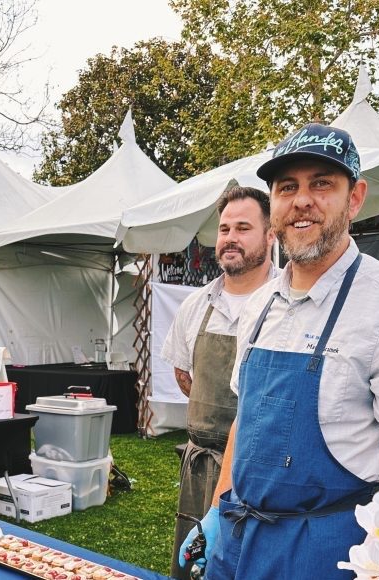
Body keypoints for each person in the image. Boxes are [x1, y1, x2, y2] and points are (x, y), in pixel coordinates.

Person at [180, 123, 379, 579]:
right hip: (238, 540)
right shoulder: (260, 305)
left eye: (322, 183)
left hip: (328, 553)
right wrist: (216, 513)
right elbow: (245, 421)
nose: (302, 200)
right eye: (287, 187)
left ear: (355, 198)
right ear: (274, 205)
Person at [161, 186, 278, 580]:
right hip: (199, 466)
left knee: (245, 565)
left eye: (243, 228)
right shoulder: (196, 305)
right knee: (192, 563)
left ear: (271, 234)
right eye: (224, 229)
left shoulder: (287, 303)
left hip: (258, 470)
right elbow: (184, 375)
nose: (230, 238)